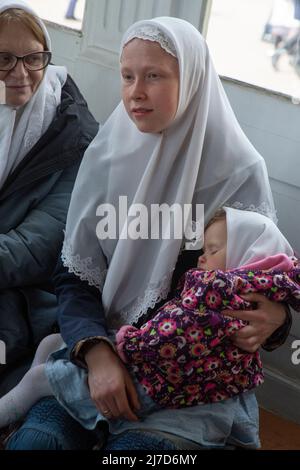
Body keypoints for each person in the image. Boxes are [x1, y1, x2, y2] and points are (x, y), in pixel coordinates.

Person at [7, 17, 292, 451]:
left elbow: (259, 284)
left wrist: (277, 320)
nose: (135, 92)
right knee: (34, 444)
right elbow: (74, 275)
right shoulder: (106, 155)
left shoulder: (238, 174)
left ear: (192, 79)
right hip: (97, 355)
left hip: (191, 388)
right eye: (127, 76)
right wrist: (98, 353)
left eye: (154, 76)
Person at [0, 207, 298, 433]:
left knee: (40, 380)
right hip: (165, 363)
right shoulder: (248, 282)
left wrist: (124, 342)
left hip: (161, 378)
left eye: (212, 250)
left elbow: (171, 338)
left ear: (246, 254)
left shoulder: (215, 289)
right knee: (53, 344)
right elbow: (73, 274)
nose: (201, 258)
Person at [0, 0, 98, 398]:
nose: (20, 73)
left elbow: (38, 245)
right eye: (4, 58)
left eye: (33, 58)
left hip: (28, 294)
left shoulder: (75, 137)